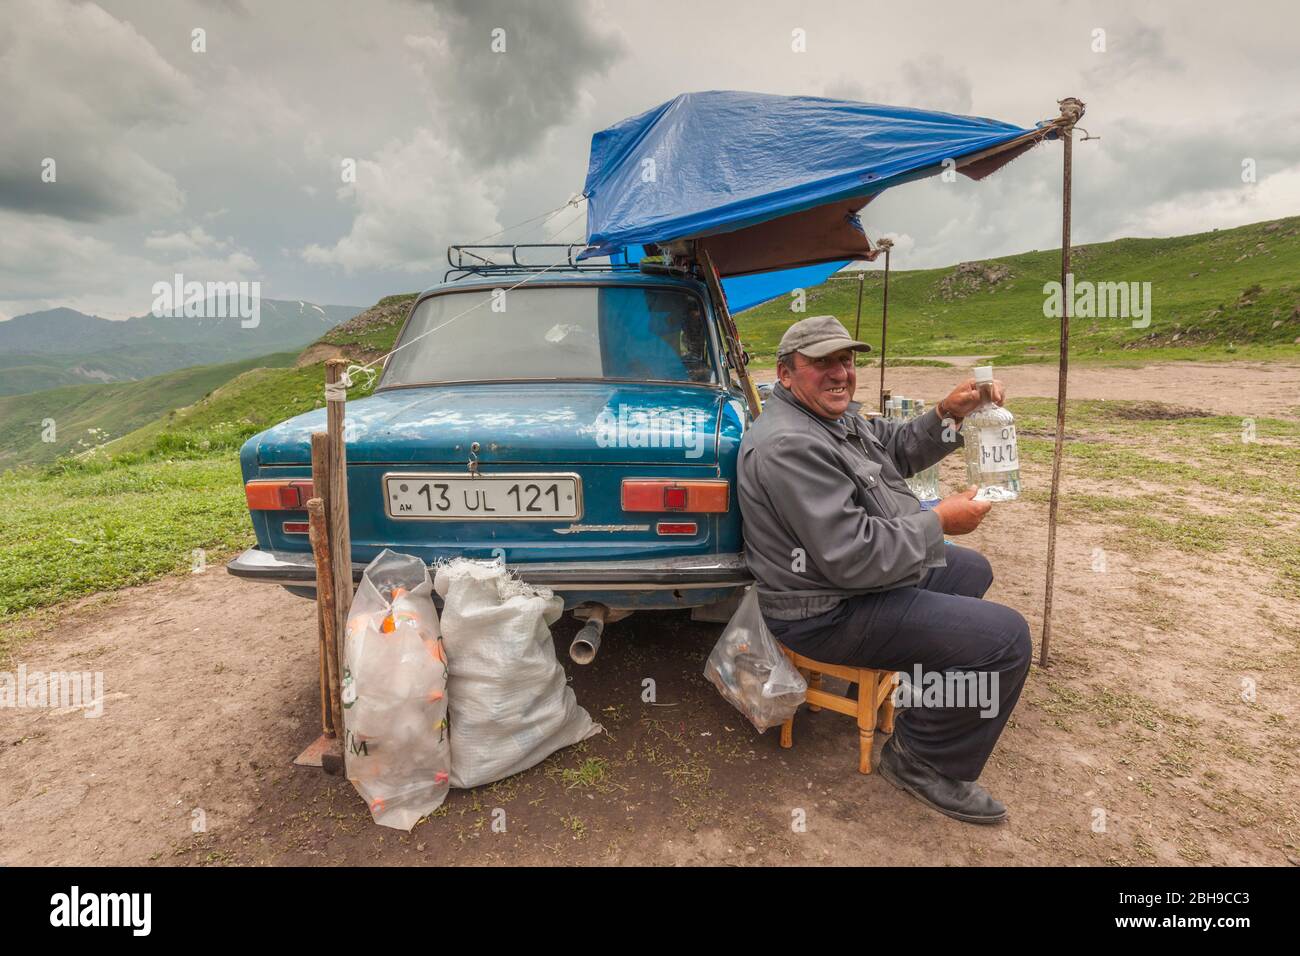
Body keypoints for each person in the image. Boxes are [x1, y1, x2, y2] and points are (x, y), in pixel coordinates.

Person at [736, 315, 1032, 825]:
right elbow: (851, 555)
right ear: (786, 374)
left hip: (852, 585)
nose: (839, 373)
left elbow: (892, 447)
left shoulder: (829, 419)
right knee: (1006, 638)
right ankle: (919, 761)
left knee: (970, 571)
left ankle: (926, 696)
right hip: (825, 610)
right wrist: (937, 522)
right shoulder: (790, 444)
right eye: (821, 362)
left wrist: (948, 412)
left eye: (846, 360)